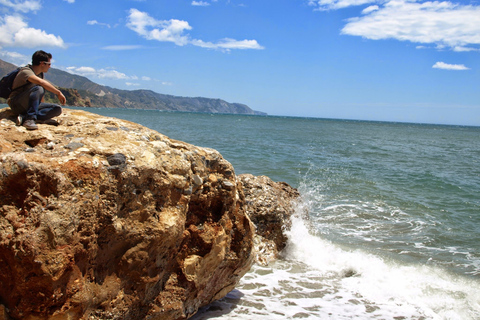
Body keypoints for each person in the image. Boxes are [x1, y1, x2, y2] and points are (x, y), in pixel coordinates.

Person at [7, 50, 66, 130]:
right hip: (16, 103)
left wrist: (42, 106)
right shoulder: (26, 71)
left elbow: (38, 96)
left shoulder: (39, 74)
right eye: (49, 64)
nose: (50, 66)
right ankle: (29, 119)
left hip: (28, 105)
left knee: (57, 109)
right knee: (39, 88)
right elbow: (40, 83)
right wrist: (58, 93)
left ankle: (24, 117)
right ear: (42, 63)